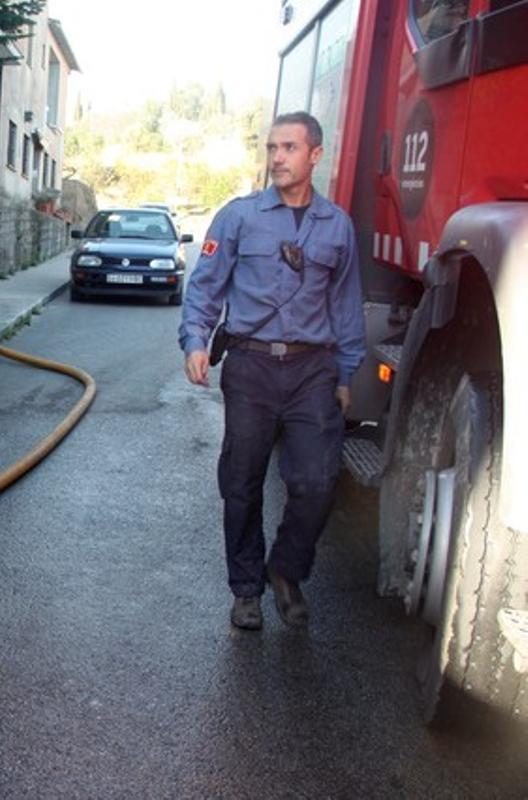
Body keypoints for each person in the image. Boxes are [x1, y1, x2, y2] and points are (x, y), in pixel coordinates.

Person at [179, 111, 365, 630]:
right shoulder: (239, 216)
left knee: (317, 480)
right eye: (271, 148)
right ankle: (245, 589)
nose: (277, 158)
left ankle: (285, 568)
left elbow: (346, 304)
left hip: (313, 369)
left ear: (315, 155)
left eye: (288, 148)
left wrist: (346, 373)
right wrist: (196, 340)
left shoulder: (338, 226)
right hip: (252, 365)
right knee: (241, 481)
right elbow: (206, 284)